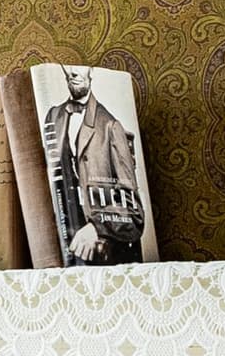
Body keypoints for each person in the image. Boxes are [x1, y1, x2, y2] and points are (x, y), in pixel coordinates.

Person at [45, 66, 150, 265]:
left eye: (79, 68)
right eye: (67, 67)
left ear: (91, 71)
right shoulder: (53, 117)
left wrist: (96, 227)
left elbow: (135, 214)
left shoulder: (112, 126)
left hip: (104, 261)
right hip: (60, 255)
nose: (72, 73)